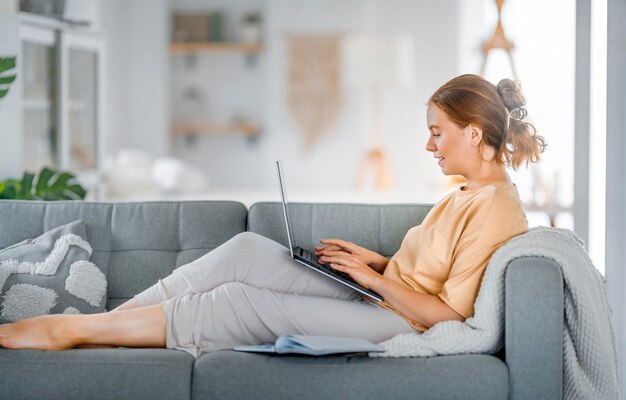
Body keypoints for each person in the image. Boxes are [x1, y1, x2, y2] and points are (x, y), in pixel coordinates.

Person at [0, 74, 546, 355]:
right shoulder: (464, 192)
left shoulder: (496, 208)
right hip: (381, 294)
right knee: (247, 249)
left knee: (236, 302)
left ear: (473, 133)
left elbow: (449, 317)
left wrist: (370, 280)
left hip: (397, 321)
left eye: (437, 133)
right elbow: (433, 266)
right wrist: (375, 264)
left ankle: (78, 333)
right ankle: (100, 324)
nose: (430, 146)